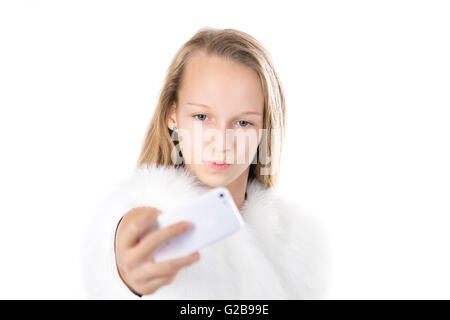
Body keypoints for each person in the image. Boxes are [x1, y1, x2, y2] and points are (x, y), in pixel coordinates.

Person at [82, 27, 330, 299]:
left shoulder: (299, 243)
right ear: (172, 117)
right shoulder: (145, 212)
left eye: (243, 122)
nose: (221, 142)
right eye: (202, 117)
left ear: (264, 128)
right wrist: (127, 271)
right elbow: (126, 245)